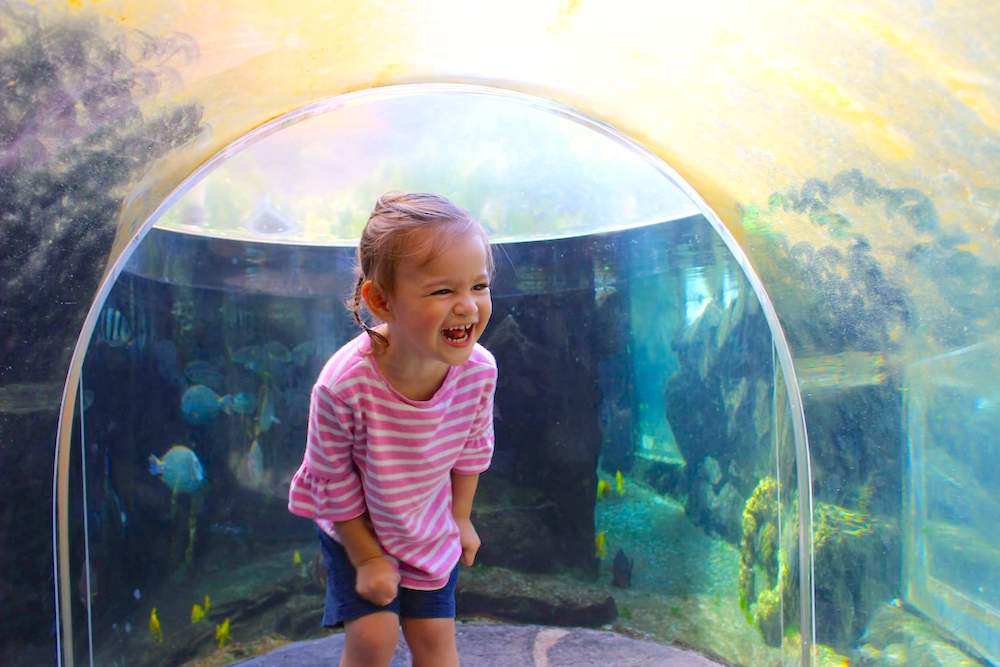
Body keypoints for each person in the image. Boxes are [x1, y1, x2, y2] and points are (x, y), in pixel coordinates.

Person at [288, 192, 497, 667]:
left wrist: (460, 517)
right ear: (381, 300)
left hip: (425, 522)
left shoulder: (479, 370)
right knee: (375, 638)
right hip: (355, 525)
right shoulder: (343, 385)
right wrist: (366, 558)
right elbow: (331, 479)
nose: (467, 306)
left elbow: (472, 448)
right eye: (443, 291)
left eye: (479, 285)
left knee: (434, 640)